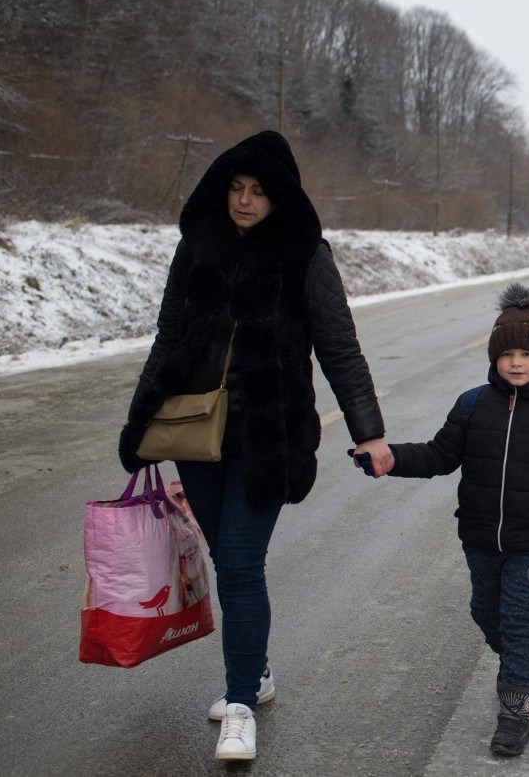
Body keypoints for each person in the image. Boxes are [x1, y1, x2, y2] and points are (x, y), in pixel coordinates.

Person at [118, 130, 395, 763]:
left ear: (280, 197)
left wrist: (369, 432)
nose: (245, 201)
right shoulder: (196, 249)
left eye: (259, 191)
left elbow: (339, 348)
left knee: (241, 563)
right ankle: (258, 670)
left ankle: (239, 703)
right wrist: (139, 428)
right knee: (225, 557)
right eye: (237, 189)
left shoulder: (306, 256)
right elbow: (168, 339)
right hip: (197, 434)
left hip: (270, 436)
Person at [357, 283, 529, 758]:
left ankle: (516, 708)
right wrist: (390, 458)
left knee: (521, 618)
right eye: (507, 353)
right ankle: (519, 668)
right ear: (495, 357)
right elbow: (440, 455)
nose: (516, 362)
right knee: (486, 612)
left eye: (527, 353)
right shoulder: (472, 404)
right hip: (480, 535)